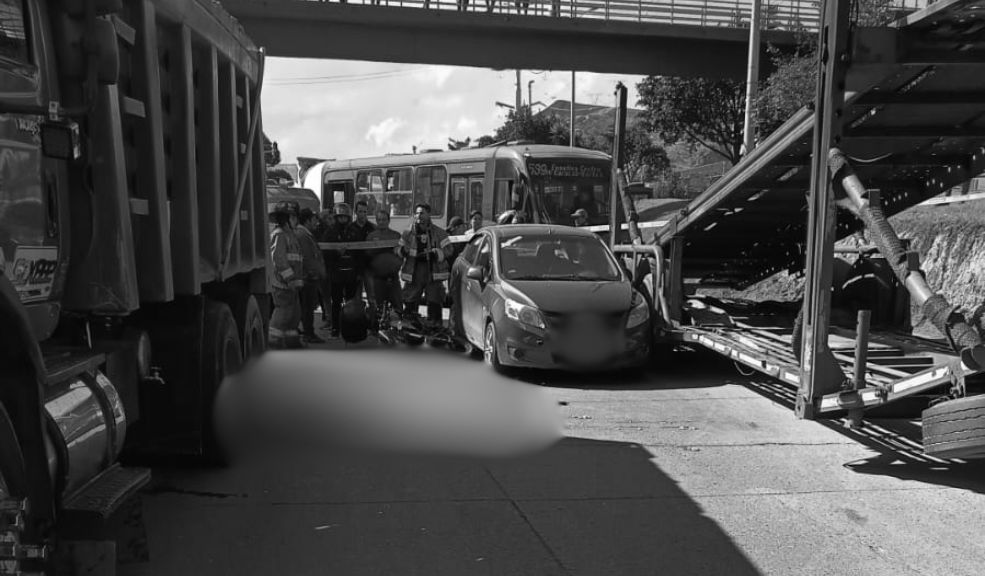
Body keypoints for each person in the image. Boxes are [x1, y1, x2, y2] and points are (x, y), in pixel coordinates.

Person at [398, 203, 454, 326]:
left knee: (434, 299)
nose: (419, 216)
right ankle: (410, 327)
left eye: (422, 213)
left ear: (429, 215)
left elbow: (449, 250)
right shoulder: (407, 233)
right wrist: (402, 251)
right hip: (414, 272)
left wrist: (437, 253)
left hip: (432, 272)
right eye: (417, 213)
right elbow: (398, 250)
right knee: (410, 299)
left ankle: (435, 327)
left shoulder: (439, 233)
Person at [268, 202, 304, 349]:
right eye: (293, 217)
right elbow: (279, 260)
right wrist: (290, 279)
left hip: (291, 284)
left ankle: (291, 342)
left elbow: (296, 259)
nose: (296, 220)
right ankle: (273, 342)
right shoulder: (280, 235)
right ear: (286, 219)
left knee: (294, 315)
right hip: (282, 284)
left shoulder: (290, 235)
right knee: (283, 313)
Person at [321, 203, 360, 338]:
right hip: (336, 274)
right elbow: (325, 254)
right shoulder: (330, 232)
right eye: (340, 217)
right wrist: (336, 253)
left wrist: (358, 272)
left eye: (345, 217)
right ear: (336, 217)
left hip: (351, 274)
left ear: (349, 217)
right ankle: (335, 328)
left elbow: (359, 253)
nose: (343, 220)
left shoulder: (354, 232)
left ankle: (348, 328)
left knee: (350, 303)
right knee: (336, 302)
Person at [366, 210, 403, 327]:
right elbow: (367, 255)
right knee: (378, 307)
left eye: (384, 219)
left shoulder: (396, 235)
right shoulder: (371, 237)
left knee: (398, 306)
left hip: (393, 279)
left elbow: (402, 253)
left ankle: (398, 329)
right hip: (378, 279)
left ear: (389, 220)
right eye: (379, 220)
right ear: (376, 221)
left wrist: (397, 264)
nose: (382, 222)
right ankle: (376, 329)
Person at [296, 208, 327, 344]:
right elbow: (308, 258)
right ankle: (309, 333)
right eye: (314, 219)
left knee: (307, 306)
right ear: (307, 220)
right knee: (308, 308)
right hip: (308, 278)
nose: (317, 222)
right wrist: (316, 273)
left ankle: (307, 331)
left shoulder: (305, 234)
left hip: (308, 276)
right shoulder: (303, 235)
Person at [350, 200, 376, 311]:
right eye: (360, 211)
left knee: (372, 296)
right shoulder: (350, 227)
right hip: (355, 267)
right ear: (355, 212)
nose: (363, 214)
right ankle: (358, 320)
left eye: (365, 212)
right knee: (357, 297)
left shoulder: (372, 228)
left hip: (369, 266)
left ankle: (374, 319)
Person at [317, 209, 335, 327]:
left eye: (332, 218)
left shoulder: (335, 230)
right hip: (323, 267)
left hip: (333, 266)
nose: (332, 221)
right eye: (329, 218)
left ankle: (332, 317)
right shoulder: (318, 232)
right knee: (325, 294)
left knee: (334, 294)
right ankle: (329, 318)